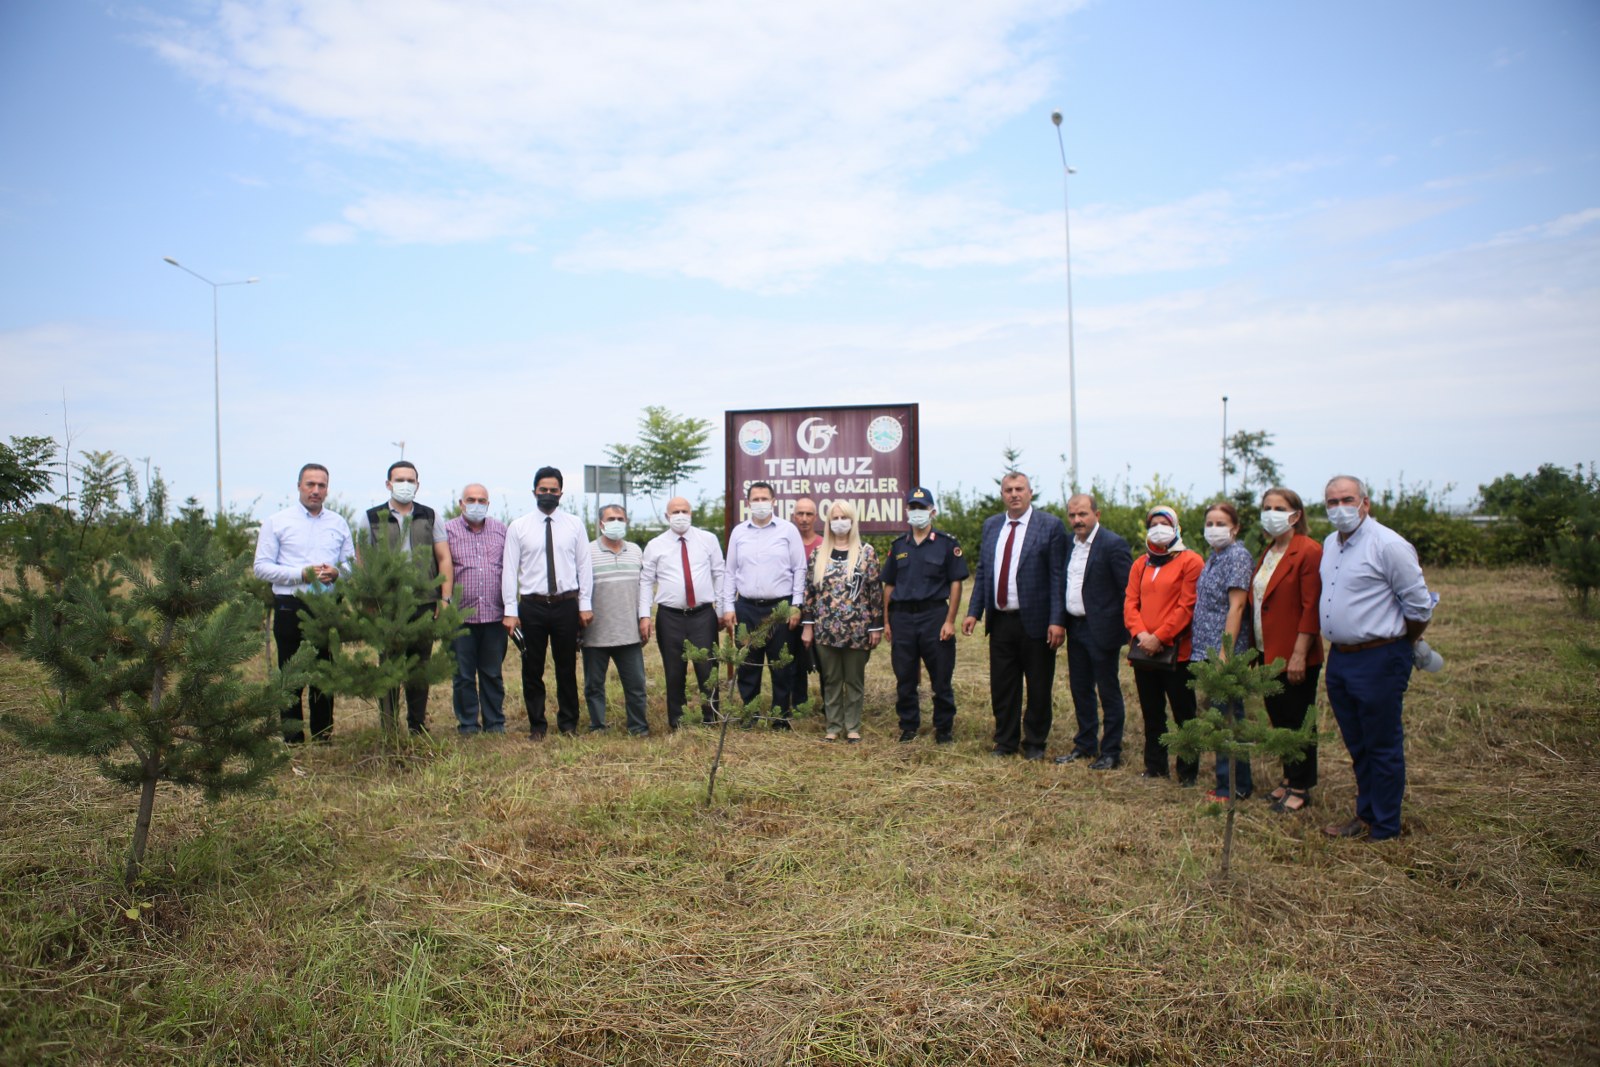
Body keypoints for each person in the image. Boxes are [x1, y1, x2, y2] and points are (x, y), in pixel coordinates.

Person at [1319, 475, 1436, 842]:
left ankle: (1386, 827)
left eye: (1347, 499)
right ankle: (1366, 813)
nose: (1340, 508)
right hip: (1340, 659)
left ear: (1365, 503)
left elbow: (1418, 606)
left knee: (1382, 745)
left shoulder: (1388, 545)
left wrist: (1402, 644)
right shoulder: (1330, 544)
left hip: (1380, 656)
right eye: (1332, 502)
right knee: (1358, 743)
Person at [962, 472, 1068, 759]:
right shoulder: (992, 526)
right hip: (1001, 621)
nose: (1014, 494)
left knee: (1038, 685)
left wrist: (1058, 620)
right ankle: (1005, 741)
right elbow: (984, 571)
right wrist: (974, 611)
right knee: (1003, 685)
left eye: (1019, 489)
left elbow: (1058, 577)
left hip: (1037, 621)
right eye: (1008, 490)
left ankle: (1034, 743)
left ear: (1030, 492)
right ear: (1002, 495)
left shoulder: (1049, 526)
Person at [253, 463, 355, 743]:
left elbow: (351, 565)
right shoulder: (278, 522)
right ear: (298, 485)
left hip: (326, 607)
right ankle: (293, 737)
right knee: (291, 674)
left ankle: (323, 735)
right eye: (310, 484)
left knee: (324, 673)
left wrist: (338, 573)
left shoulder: (338, 523)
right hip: (290, 605)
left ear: (327, 489)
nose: (316, 490)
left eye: (321, 485)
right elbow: (261, 567)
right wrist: (301, 573)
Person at [359, 461, 454, 734]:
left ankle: (417, 724)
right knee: (388, 666)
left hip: (423, 601)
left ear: (418, 485)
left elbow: (444, 557)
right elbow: (363, 559)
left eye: (410, 480)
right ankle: (388, 726)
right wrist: (369, 601)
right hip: (387, 603)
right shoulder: (372, 517)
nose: (405, 485)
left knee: (419, 666)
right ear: (388, 484)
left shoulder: (430, 515)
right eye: (399, 480)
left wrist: (444, 599)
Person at [501, 467, 594, 738]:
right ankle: (537, 726)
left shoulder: (574, 525)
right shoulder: (519, 527)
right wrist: (510, 610)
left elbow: (584, 566)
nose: (548, 495)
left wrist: (585, 604)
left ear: (561, 493)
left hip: (566, 604)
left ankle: (568, 723)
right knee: (532, 667)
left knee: (566, 666)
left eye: (554, 490)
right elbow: (510, 569)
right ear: (534, 492)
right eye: (543, 490)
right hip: (532, 606)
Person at [1250, 486, 1323, 814]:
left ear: (1295, 514)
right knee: (1279, 718)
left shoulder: (1307, 551)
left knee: (1298, 720)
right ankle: (1288, 777)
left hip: (1294, 652)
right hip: (1268, 650)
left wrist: (1299, 654)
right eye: (1267, 506)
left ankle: (1301, 786)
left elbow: (1311, 607)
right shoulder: (1269, 550)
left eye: (1279, 507)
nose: (1271, 512)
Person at [1123, 505, 1204, 784]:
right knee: (1152, 712)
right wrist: (1142, 635)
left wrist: (1161, 637)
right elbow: (1131, 603)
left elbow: (1187, 605)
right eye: (1153, 523)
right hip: (1144, 651)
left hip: (1178, 653)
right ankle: (1156, 765)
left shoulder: (1191, 561)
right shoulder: (1140, 564)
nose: (1158, 528)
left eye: (1164, 523)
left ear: (1175, 526)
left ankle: (1187, 771)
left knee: (1184, 713)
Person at [881, 486, 968, 744]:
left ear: (932, 512)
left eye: (922, 507)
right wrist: (886, 621)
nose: (917, 512)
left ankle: (944, 729)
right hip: (903, 619)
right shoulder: (898, 546)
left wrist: (950, 621)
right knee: (905, 678)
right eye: (913, 507)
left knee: (941, 678)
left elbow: (956, 583)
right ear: (907, 511)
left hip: (934, 617)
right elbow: (889, 586)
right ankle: (908, 726)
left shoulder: (946, 544)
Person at [1056, 493, 1133, 769]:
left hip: (1102, 630)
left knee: (1108, 690)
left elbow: (1128, 591)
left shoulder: (1113, 545)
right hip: (1075, 627)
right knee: (1080, 689)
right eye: (1073, 515)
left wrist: (1128, 629)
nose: (1077, 520)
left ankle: (1111, 751)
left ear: (1096, 515)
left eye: (1083, 514)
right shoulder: (1069, 544)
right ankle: (1085, 744)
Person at [720, 481, 806, 728]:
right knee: (748, 664)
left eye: (763, 498)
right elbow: (730, 571)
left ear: (774, 501)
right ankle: (750, 715)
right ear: (748, 503)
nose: (759, 503)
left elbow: (799, 568)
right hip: (746, 607)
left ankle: (780, 717)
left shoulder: (787, 530)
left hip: (780, 607)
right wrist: (728, 606)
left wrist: (796, 605)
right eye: (755, 499)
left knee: (782, 664)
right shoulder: (739, 532)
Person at [639, 497, 725, 730]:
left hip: (703, 615)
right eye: (675, 511)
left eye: (684, 511)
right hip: (670, 616)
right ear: (667, 516)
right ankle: (678, 721)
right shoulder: (655, 545)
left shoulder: (707, 539)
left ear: (691, 513)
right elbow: (646, 581)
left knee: (707, 668)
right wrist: (644, 615)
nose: (680, 515)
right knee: (674, 671)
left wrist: (723, 609)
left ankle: (712, 717)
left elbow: (719, 573)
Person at [801, 502, 884, 742]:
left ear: (852, 520)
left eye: (844, 517)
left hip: (858, 629)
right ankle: (833, 726)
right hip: (825, 630)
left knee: (854, 680)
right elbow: (810, 592)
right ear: (828, 522)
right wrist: (808, 625)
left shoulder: (865, 552)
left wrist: (875, 626)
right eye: (835, 517)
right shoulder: (819, 553)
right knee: (831, 679)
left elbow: (874, 592)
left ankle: (853, 726)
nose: (839, 521)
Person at [1192, 501, 1256, 801]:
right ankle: (1230, 782)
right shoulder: (1215, 556)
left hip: (1224, 651)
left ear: (1235, 527)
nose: (1214, 530)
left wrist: (1225, 654)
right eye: (1210, 524)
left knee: (1228, 717)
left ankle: (1232, 787)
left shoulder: (1237, 556)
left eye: (1221, 524)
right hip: (1207, 647)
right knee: (1220, 716)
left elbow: (1237, 606)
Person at [443, 483, 508, 735]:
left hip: (494, 616)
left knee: (492, 674)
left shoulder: (501, 530)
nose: (476, 504)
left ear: (488, 504)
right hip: (460, 617)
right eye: (471, 499)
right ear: (461, 503)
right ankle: (468, 724)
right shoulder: (447, 531)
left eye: (482, 500)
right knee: (462, 676)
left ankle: (495, 723)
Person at [583, 504, 647, 735]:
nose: (616, 522)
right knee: (594, 686)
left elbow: (644, 589)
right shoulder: (586, 552)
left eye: (620, 518)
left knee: (636, 685)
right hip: (595, 633)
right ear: (601, 523)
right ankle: (597, 726)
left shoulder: (636, 551)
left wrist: (644, 618)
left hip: (629, 631)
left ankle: (638, 727)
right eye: (611, 518)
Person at [788, 496, 825, 713]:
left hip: (820, 611)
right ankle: (799, 703)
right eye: (800, 514)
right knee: (794, 658)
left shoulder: (824, 544)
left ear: (815, 517)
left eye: (808, 514)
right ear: (794, 516)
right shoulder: (786, 543)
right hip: (793, 608)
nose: (804, 519)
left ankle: (828, 705)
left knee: (823, 660)